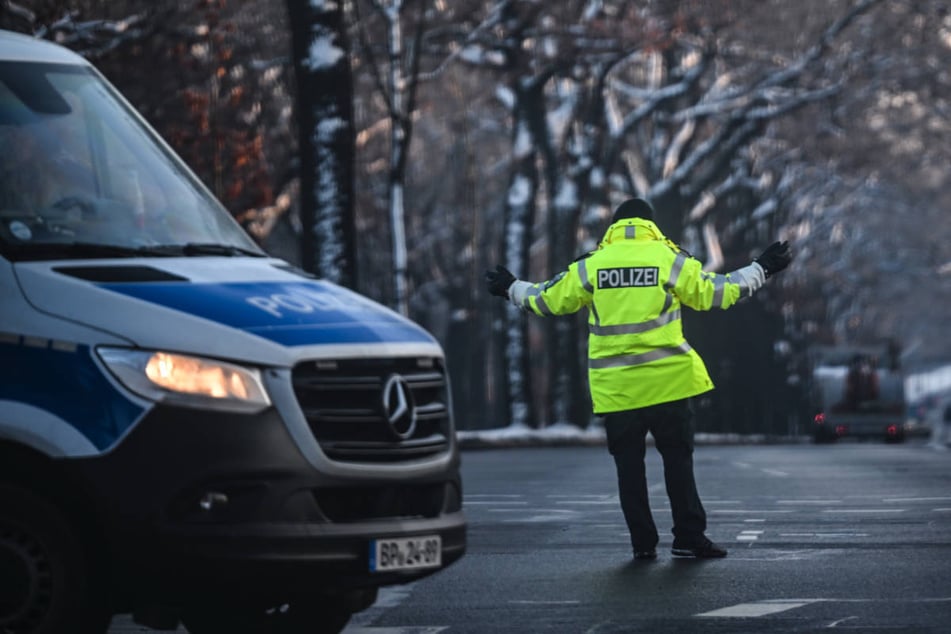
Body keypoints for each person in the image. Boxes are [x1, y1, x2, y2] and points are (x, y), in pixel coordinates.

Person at [485, 198, 792, 560]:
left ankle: (643, 544)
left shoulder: (592, 265)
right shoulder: (669, 259)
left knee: (629, 470)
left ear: (614, 227)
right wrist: (762, 268)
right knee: (678, 463)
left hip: (617, 390)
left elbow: (549, 299)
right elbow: (717, 292)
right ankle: (689, 537)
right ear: (651, 225)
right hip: (668, 383)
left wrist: (511, 288)